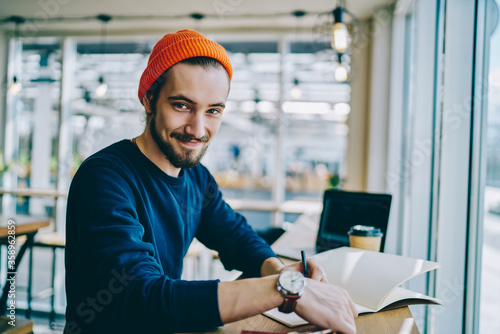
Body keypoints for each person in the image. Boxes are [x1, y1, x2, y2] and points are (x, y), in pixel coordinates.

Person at [64, 29, 357, 334]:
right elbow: (139, 297)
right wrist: (284, 288)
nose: (197, 129)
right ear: (150, 100)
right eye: (182, 105)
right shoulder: (105, 178)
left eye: (213, 110)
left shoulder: (195, 177)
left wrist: (279, 269)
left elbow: (235, 236)